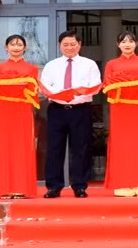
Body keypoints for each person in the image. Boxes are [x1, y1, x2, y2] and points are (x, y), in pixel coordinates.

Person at [40, 30, 102, 199]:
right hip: (57, 110)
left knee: (81, 149)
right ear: (60, 46)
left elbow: (95, 85)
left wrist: (76, 93)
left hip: (80, 110)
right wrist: (61, 94)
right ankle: (53, 186)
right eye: (65, 45)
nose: (69, 48)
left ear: (79, 45)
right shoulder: (51, 65)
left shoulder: (89, 64)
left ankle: (80, 186)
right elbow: (44, 86)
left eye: (73, 44)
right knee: (54, 149)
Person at [0, 35, 40, 199]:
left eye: (19, 44)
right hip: (2, 109)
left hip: (22, 109)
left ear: (24, 48)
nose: (16, 47)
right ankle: (2, 187)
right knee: (2, 147)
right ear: (6, 47)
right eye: (12, 44)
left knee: (21, 146)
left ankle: (20, 187)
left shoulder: (32, 68)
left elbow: (33, 90)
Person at [103, 31, 138, 197]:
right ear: (118, 44)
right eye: (123, 41)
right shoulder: (111, 64)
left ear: (136, 43)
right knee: (122, 144)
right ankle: (123, 184)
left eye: (131, 41)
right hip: (120, 109)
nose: (127, 44)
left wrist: (126, 82)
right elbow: (106, 84)